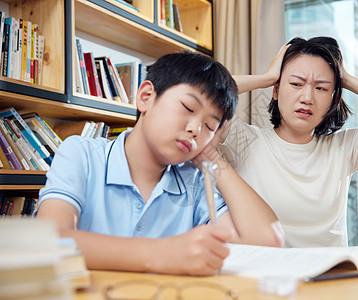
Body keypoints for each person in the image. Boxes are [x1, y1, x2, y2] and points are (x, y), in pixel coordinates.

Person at [35, 51, 284, 276]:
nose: (195, 129)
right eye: (188, 107)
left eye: (210, 126)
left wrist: (211, 157)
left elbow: (267, 240)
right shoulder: (82, 154)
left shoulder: (195, 182)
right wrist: (162, 253)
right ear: (146, 97)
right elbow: (51, 241)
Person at [218, 37, 358, 248]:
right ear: (276, 90)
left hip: (331, 277)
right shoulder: (243, 140)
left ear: (333, 99)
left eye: (321, 88)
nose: (307, 97)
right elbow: (201, 92)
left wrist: (347, 80)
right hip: (269, 278)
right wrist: (266, 78)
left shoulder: (345, 147)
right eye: (296, 83)